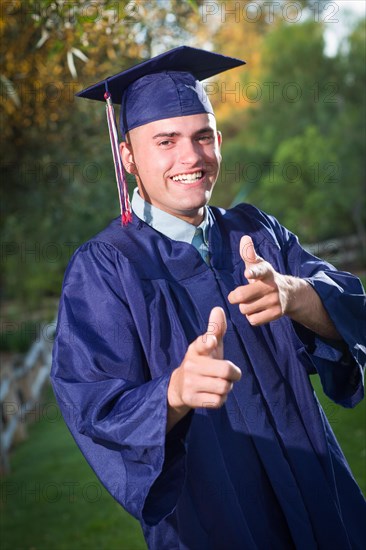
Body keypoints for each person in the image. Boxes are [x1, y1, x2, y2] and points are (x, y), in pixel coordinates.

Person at [51, 46, 366, 549]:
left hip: (320, 495)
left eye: (202, 136)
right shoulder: (107, 267)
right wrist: (173, 392)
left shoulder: (256, 232)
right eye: (166, 140)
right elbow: (92, 403)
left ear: (219, 141)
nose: (190, 157)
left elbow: (356, 308)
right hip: (213, 520)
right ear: (127, 156)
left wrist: (298, 293)